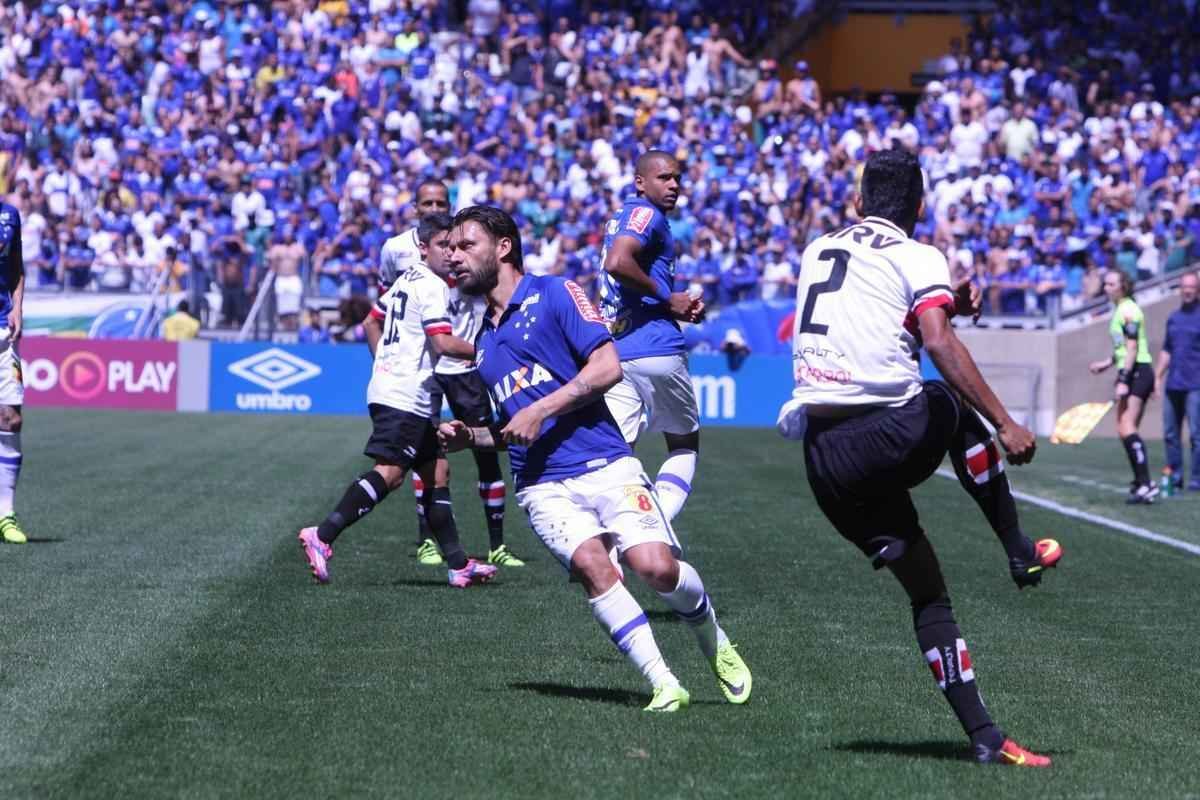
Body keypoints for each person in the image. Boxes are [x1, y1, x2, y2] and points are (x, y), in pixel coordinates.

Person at [777, 150, 1056, 766]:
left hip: (824, 461)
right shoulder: (919, 254)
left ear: (858, 202)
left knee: (929, 595)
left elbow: (875, 306)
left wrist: (945, 301)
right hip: (882, 435)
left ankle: (985, 737)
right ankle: (1017, 547)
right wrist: (1006, 422)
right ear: (921, 206)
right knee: (949, 400)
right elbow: (936, 339)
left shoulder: (818, 248)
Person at [441, 205, 751, 712]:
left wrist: (542, 408)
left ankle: (712, 635)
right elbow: (514, 429)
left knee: (655, 569)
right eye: (450, 248)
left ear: (504, 247)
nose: (453, 256)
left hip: (606, 461)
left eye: (465, 245)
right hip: (540, 483)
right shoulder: (483, 342)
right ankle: (664, 683)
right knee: (592, 565)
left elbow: (607, 367)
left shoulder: (556, 293)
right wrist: (470, 437)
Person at [298, 215, 497, 589]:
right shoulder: (433, 286)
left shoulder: (406, 279)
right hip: (404, 395)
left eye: (456, 246)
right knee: (390, 473)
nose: (451, 254)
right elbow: (442, 344)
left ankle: (458, 565)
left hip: (400, 391)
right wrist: (491, 353)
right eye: (443, 245)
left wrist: (385, 363)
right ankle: (321, 535)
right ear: (423, 248)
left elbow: (371, 322)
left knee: (437, 471)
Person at [381, 182, 523, 568]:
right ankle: (426, 540)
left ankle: (497, 544)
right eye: (426, 202)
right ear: (415, 209)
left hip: (464, 367)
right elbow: (383, 307)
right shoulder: (396, 250)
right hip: (426, 368)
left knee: (486, 453)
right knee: (423, 456)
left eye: (440, 202)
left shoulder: (468, 247)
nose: (433, 207)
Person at [598, 150, 704, 522]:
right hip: (655, 348)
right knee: (684, 446)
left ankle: (614, 535)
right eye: (664, 177)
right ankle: (654, 526)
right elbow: (617, 262)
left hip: (617, 352)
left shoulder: (621, 217)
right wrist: (668, 298)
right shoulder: (647, 215)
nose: (674, 185)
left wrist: (673, 303)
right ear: (640, 182)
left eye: (677, 178)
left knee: (616, 453)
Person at [1089, 270, 1159, 504]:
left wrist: (1123, 379)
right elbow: (1123, 348)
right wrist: (1108, 363)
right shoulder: (1120, 309)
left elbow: (1132, 349)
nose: (1106, 288)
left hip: (1138, 371)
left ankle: (1146, 483)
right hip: (1132, 370)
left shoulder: (1128, 310)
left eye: (1111, 284)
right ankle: (1141, 482)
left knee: (1127, 426)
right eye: (1105, 284)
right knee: (1123, 428)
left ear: (1123, 286)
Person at [1154, 271, 1200, 491]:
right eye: (1184, 287)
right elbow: (1167, 350)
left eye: (1192, 286)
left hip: (1196, 386)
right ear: (1180, 289)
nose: (1188, 290)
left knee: (1196, 435)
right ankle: (1176, 476)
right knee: (1170, 434)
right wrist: (1157, 377)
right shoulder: (1173, 318)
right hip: (1173, 384)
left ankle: (1197, 478)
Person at [0, 202, 26, 543]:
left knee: (11, 418)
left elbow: (17, 267)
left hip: (3, 329)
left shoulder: (10, 215)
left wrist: (18, 307)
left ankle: (5, 514)